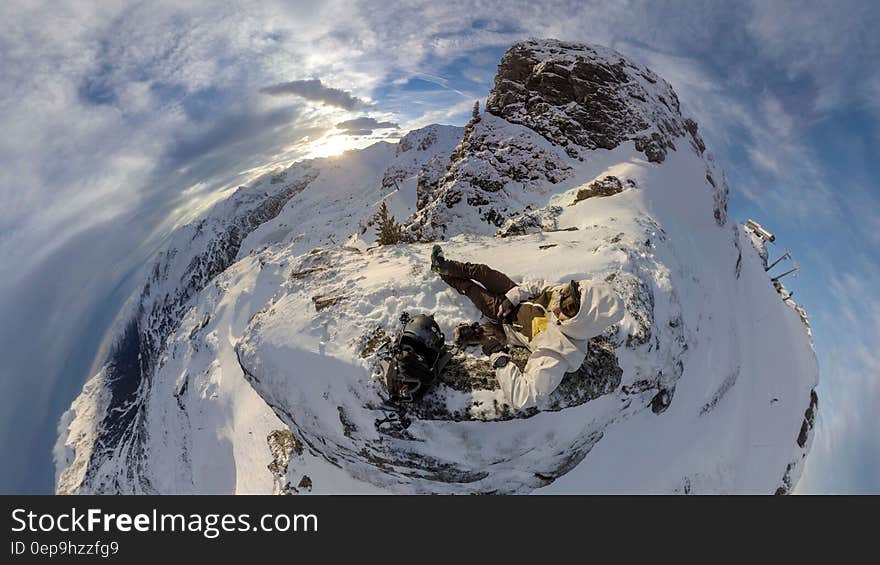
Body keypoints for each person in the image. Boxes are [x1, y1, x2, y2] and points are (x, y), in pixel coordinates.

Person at [431, 245, 625, 411]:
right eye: (566, 294)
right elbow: (538, 287)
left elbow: (524, 397)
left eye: (568, 309)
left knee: (471, 289)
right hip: (513, 298)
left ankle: (444, 275)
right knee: (481, 271)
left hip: (505, 322)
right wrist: (512, 298)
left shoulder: (559, 350)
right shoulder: (570, 295)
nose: (558, 305)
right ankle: (442, 265)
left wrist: (497, 353)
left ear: (584, 322)